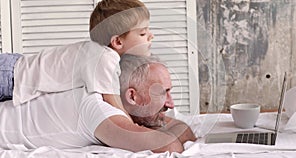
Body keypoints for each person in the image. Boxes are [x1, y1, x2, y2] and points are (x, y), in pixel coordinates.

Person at [0, 54, 196, 153]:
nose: (171, 104)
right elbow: (170, 146)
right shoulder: (97, 110)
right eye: (164, 93)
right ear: (132, 97)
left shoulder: (97, 91)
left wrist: (158, 119)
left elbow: (185, 133)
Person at [0, 0, 154, 118]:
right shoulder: (105, 58)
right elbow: (112, 104)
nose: (151, 36)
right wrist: (134, 127)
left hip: (13, 70)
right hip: (9, 75)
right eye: (142, 33)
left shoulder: (98, 53)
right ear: (117, 42)